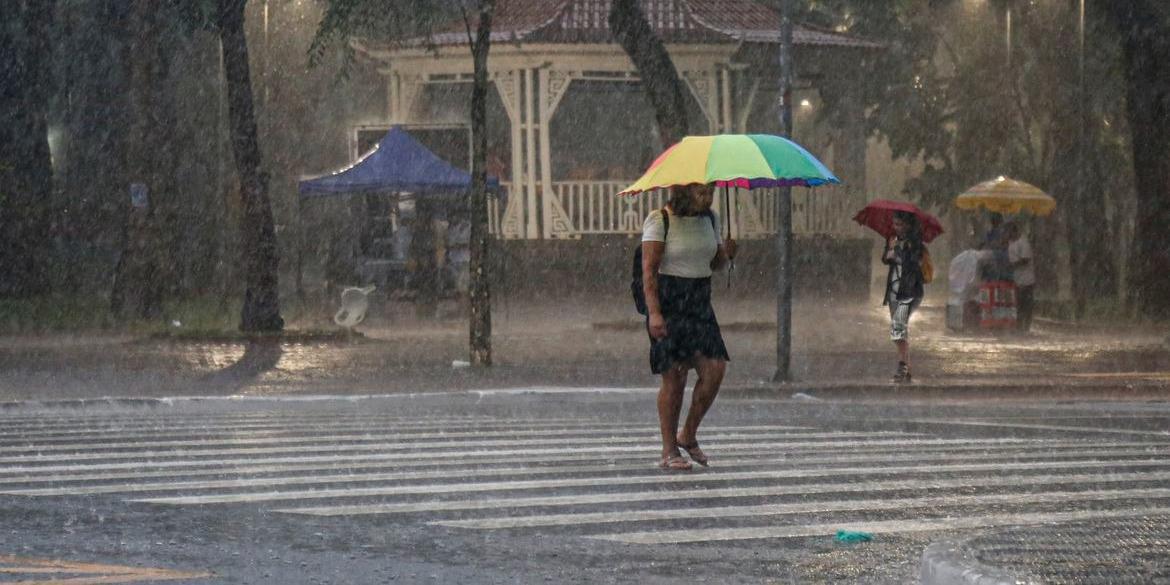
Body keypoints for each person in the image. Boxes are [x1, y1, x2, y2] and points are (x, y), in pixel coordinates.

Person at [641, 183, 737, 471]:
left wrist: (728, 253)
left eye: (710, 193)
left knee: (715, 369)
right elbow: (648, 270)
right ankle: (669, 449)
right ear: (683, 192)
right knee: (675, 377)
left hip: (699, 301)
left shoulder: (711, 219)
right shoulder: (661, 220)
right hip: (670, 301)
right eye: (700, 193)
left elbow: (715, 263)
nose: (707, 198)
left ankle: (689, 433)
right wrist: (654, 313)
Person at [882, 211, 926, 383]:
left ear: (907, 225)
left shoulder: (915, 242)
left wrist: (898, 253)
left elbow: (914, 263)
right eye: (895, 224)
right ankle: (906, 366)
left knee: (898, 328)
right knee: (898, 328)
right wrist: (891, 249)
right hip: (894, 292)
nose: (896, 228)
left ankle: (903, 365)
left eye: (899, 224)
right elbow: (885, 259)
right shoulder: (892, 240)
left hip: (910, 291)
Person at [1006, 221, 1036, 332]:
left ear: (1014, 231)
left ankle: (1026, 327)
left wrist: (1013, 265)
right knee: (1019, 305)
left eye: (1009, 232)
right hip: (1017, 280)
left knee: (1026, 305)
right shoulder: (1010, 243)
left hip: (1027, 280)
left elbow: (1025, 259)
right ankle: (1019, 327)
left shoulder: (1023, 242)